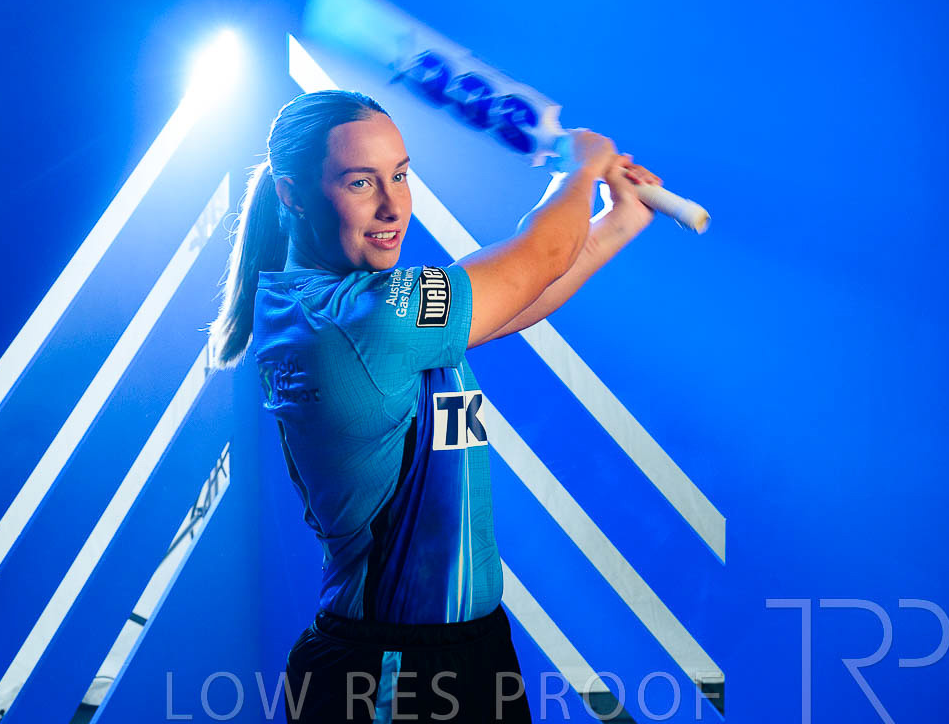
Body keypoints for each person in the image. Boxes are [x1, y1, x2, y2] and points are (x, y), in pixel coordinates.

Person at [208, 90, 657, 722]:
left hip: (463, 649)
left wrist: (617, 221)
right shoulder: (356, 319)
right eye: (360, 182)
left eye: (399, 175)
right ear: (293, 194)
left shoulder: (346, 304)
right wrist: (580, 169)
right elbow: (538, 258)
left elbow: (515, 300)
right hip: (390, 671)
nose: (392, 206)